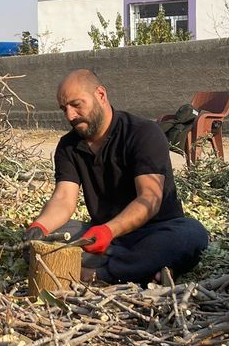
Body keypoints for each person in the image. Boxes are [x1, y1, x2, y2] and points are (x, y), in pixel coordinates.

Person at [24, 69, 209, 285]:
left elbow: (149, 198)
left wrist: (109, 231)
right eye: (64, 109)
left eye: (76, 105)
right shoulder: (68, 146)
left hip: (154, 230)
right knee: (42, 241)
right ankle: (144, 270)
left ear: (100, 95)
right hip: (101, 235)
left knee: (192, 235)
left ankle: (95, 274)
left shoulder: (143, 133)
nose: (70, 116)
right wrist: (39, 228)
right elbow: (63, 198)